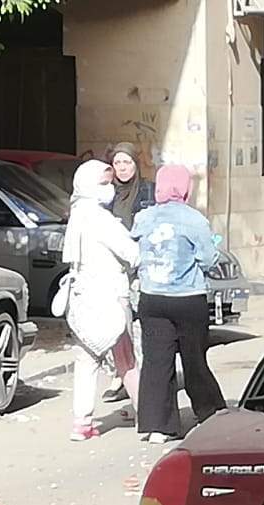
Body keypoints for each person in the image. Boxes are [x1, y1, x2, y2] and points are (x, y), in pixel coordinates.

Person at [131, 165, 227, 444]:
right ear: (185, 188)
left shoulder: (143, 218)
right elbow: (208, 259)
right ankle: (209, 411)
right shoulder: (194, 219)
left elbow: (135, 252)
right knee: (194, 358)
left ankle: (158, 426)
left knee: (156, 362)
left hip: (152, 298)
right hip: (188, 298)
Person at [62, 160, 141, 442]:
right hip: (110, 297)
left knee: (86, 359)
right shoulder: (101, 219)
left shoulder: (76, 216)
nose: (110, 189)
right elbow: (132, 253)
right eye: (105, 183)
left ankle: (82, 423)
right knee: (126, 358)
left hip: (82, 299)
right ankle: (146, 413)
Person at [102, 142, 156, 405]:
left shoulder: (147, 191)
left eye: (127, 163)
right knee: (117, 322)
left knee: (138, 323)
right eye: (118, 163)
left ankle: (140, 375)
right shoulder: (106, 194)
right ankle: (119, 374)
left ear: (136, 164)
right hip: (114, 267)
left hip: (140, 266)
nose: (122, 168)